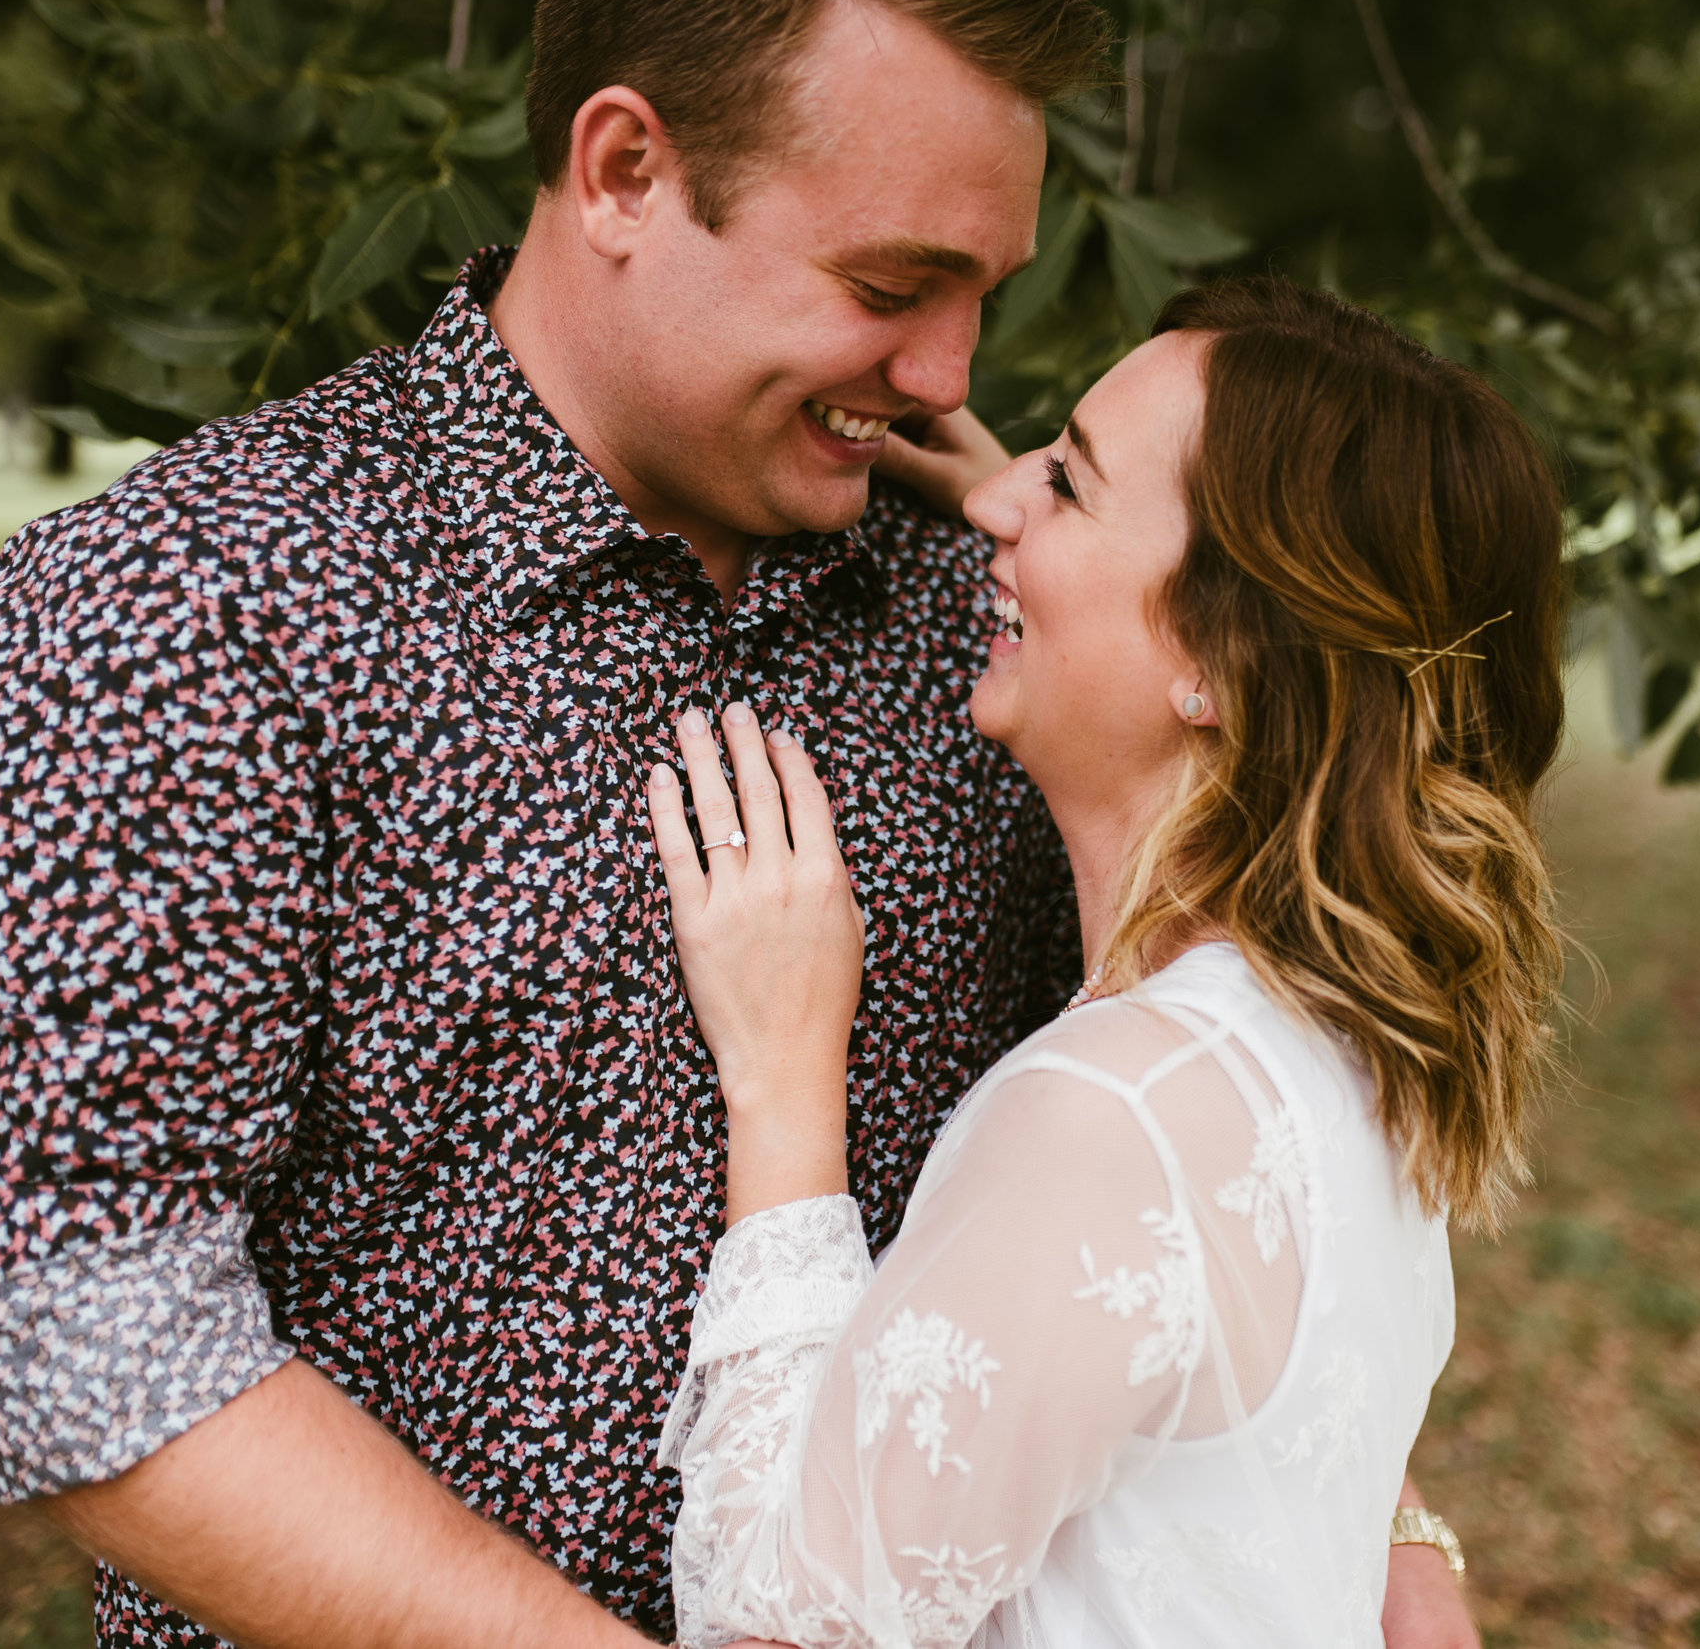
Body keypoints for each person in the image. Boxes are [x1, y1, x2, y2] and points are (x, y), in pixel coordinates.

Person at [0, 0, 1481, 1643]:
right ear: (628, 170)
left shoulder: (996, 630)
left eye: (982, 295)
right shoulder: (196, 605)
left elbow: (1200, 1133)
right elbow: (70, 1322)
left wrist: (1387, 1508)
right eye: (889, 286)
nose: (943, 370)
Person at [642, 276, 1567, 1647]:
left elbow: (780, 1632)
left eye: (1065, 482)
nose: (989, 500)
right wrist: (1075, 528)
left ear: (1213, 660)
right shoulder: (1357, 1041)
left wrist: (784, 1087)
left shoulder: (1110, 1117)